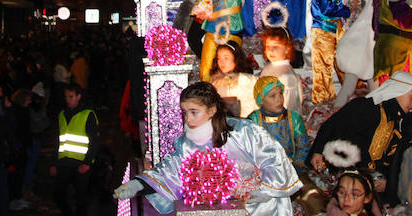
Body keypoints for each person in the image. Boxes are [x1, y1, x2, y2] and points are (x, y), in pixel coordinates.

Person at [113, 81, 302, 216]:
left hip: (260, 206)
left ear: (211, 111)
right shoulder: (187, 143)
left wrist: (251, 189)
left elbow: (274, 160)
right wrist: (138, 184)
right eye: (185, 113)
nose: (188, 119)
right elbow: (170, 170)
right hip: (217, 209)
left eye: (194, 112)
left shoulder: (243, 131)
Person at [309, 72, 412, 182]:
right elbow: (332, 125)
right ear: (399, 91)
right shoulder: (364, 107)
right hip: (343, 179)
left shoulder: (396, 123)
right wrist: (318, 151)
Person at [305, 0, 354, 105]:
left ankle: (350, 91)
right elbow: (327, 8)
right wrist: (345, 11)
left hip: (335, 28)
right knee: (323, 66)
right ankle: (323, 99)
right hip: (323, 29)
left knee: (344, 59)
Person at [50, 84, 99, 216]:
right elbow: (58, 140)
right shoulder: (62, 114)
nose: (68, 99)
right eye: (66, 97)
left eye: (71, 96)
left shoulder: (88, 114)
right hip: (64, 162)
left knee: (81, 198)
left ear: (78, 97)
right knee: (58, 194)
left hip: (81, 162)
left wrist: (87, 163)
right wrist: (54, 162)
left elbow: (94, 141)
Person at [248, 76, 309, 169]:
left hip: (291, 168)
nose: (279, 99)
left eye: (281, 94)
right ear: (261, 100)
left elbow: (303, 147)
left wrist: (296, 168)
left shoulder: (293, 118)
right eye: (272, 96)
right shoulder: (254, 120)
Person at [259, 26, 303, 114]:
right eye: (268, 46)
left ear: (287, 49)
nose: (271, 50)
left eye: (276, 46)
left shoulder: (286, 76)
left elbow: (290, 104)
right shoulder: (269, 67)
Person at [210, 40, 257, 118]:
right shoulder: (216, 82)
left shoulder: (247, 79)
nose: (222, 62)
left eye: (226, 58)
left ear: (235, 58)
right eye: (219, 58)